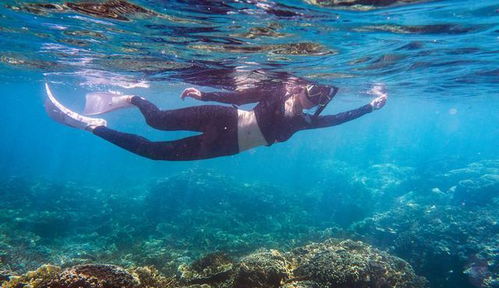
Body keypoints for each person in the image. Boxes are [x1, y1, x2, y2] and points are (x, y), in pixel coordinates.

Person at [44, 80, 387, 161]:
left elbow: (340, 119)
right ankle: (133, 97)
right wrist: (204, 95)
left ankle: (93, 126)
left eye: (319, 99)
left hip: (226, 146)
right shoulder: (277, 88)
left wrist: (370, 108)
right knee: (157, 122)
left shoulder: (303, 123)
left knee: (152, 152)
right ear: (301, 85)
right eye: (311, 90)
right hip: (222, 116)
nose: (311, 98)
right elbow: (238, 97)